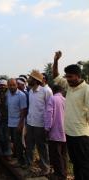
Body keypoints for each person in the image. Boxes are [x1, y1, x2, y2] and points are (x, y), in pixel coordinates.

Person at [53, 51, 89, 180]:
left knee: (84, 164)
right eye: (66, 76)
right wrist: (56, 60)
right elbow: (56, 76)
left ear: (78, 76)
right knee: (75, 163)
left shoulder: (86, 90)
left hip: (81, 135)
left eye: (70, 76)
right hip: (69, 133)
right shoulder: (69, 86)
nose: (67, 79)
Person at [26, 70, 52, 175]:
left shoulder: (46, 91)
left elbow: (50, 109)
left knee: (42, 147)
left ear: (36, 80)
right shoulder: (30, 91)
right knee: (29, 146)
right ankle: (30, 166)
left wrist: (47, 126)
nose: (28, 80)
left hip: (40, 125)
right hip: (30, 123)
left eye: (30, 78)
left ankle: (45, 168)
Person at [44, 85, 67, 180]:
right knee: (63, 154)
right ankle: (64, 173)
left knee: (56, 154)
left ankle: (59, 175)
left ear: (53, 90)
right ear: (61, 91)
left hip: (55, 132)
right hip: (65, 132)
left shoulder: (52, 99)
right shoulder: (65, 100)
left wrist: (47, 128)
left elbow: (49, 114)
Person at [7, 78, 27, 167]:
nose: (12, 87)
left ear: (17, 85)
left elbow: (23, 110)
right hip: (10, 122)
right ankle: (18, 159)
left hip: (18, 123)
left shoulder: (21, 95)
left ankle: (21, 161)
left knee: (19, 143)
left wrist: (21, 123)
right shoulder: (8, 94)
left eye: (13, 85)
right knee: (15, 142)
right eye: (10, 85)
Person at [0, 78, 12, 159]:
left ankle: (8, 153)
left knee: (6, 136)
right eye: (1, 85)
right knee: (0, 136)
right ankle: (1, 152)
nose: (2, 86)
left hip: (7, 118)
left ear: (6, 86)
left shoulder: (10, 94)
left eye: (4, 85)